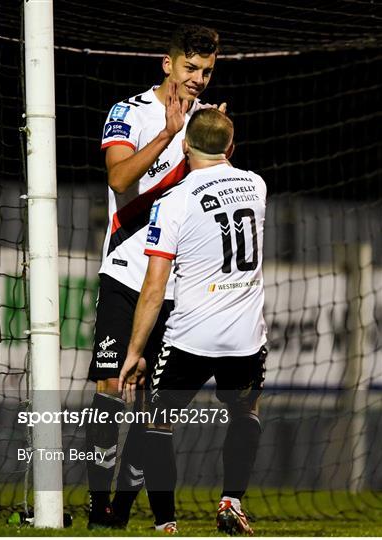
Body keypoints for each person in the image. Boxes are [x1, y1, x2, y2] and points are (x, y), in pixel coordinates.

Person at [86, 25, 225, 530]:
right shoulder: (129, 113)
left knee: (152, 408)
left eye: (207, 71)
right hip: (125, 273)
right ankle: (98, 506)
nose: (199, 79)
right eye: (191, 68)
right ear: (167, 65)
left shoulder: (208, 125)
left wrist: (217, 157)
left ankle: (120, 514)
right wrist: (169, 136)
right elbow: (119, 179)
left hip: (174, 285)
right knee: (109, 388)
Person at [119, 108, 268, 535]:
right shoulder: (256, 185)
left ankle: (166, 523)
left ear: (184, 146)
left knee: (157, 422)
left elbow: (153, 287)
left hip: (191, 336)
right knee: (245, 411)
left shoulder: (173, 202)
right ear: (232, 147)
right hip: (244, 337)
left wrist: (134, 352)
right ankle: (231, 501)